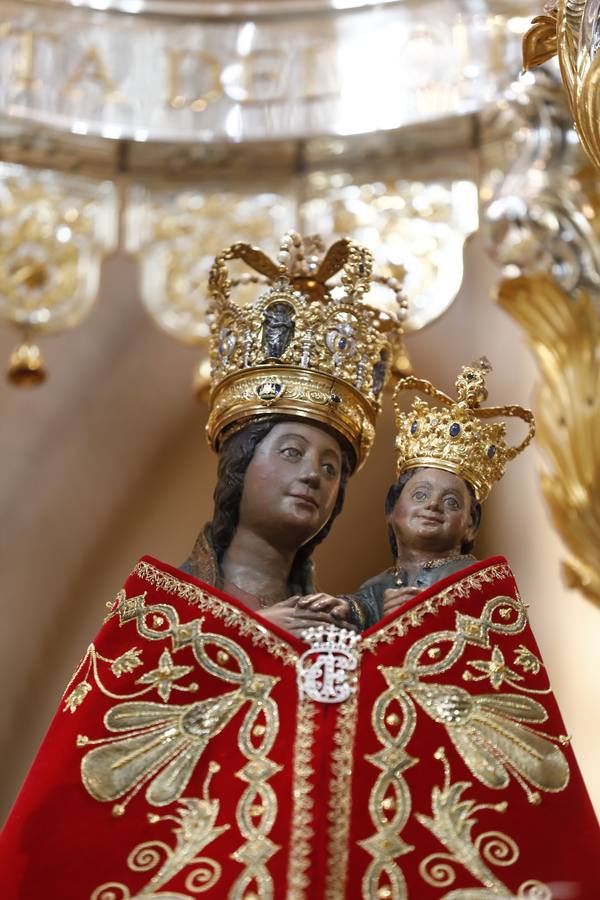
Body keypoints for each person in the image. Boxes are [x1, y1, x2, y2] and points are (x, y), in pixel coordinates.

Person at [0, 232, 404, 899]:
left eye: (331, 468)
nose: (314, 476)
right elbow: (96, 775)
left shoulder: (341, 625)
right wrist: (261, 638)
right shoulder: (156, 614)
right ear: (241, 467)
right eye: (293, 452)